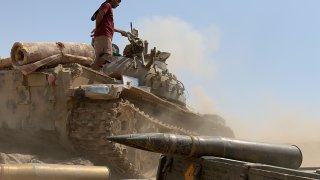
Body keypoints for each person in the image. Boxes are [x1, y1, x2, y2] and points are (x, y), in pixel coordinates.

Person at [91, 0, 127, 71]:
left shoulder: (106, 6)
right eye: (118, 1)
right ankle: (92, 71)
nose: (118, 4)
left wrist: (120, 31)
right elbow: (99, 16)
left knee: (98, 58)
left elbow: (108, 26)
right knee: (107, 55)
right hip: (104, 35)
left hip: (101, 35)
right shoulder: (107, 5)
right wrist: (97, 28)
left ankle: (92, 74)